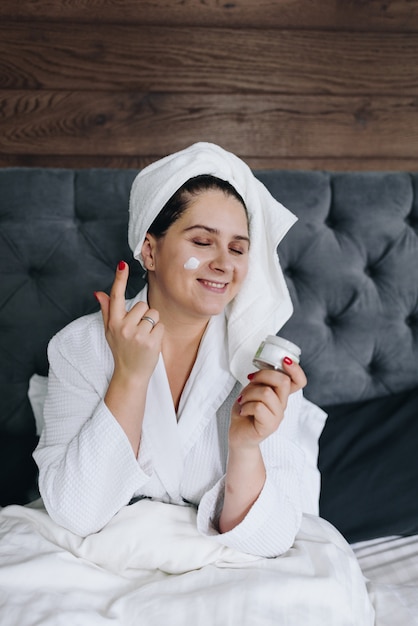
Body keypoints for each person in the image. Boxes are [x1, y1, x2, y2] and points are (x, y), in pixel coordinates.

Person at [33, 142, 310, 558]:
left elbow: (270, 540)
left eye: (237, 248)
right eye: (202, 242)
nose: (224, 263)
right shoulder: (80, 347)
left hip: (226, 574)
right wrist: (129, 376)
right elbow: (77, 513)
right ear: (150, 250)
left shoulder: (263, 367)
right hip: (104, 564)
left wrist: (246, 447)